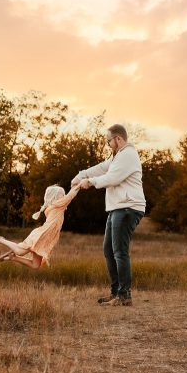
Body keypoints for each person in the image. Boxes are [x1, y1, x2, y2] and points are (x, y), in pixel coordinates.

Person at [72, 124, 146, 307]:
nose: (108, 144)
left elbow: (111, 178)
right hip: (117, 208)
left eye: (108, 141)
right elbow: (101, 168)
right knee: (108, 250)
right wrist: (81, 175)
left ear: (118, 139)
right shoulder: (117, 156)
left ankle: (124, 295)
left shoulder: (128, 155)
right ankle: (116, 293)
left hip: (128, 207)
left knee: (120, 252)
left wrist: (89, 182)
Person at [0, 184, 79, 269]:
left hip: (45, 239)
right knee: (20, 251)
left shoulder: (58, 206)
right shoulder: (56, 206)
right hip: (41, 235)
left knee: (35, 265)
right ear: (54, 197)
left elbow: (69, 197)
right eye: (61, 195)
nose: (63, 196)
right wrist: (81, 182)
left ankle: (13, 258)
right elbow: (71, 195)